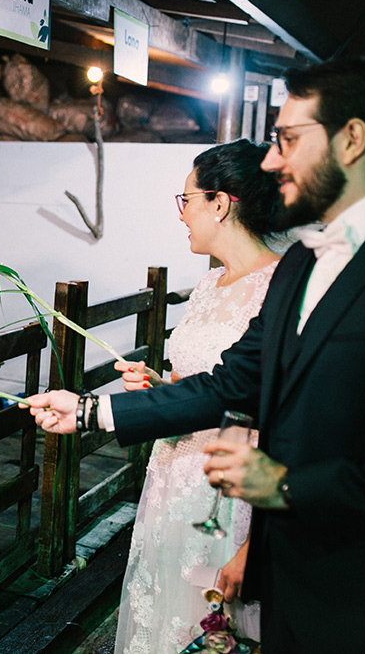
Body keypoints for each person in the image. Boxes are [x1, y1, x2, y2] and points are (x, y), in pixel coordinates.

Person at [24, 55, 365, 651]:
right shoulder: (302, 263)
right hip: (283, 582)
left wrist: (288, 491)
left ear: (353, 139)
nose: (271, 161)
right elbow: (230, 382)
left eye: (287, 140)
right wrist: (91, 412)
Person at [114, 139, 280, 654]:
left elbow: (270, 403)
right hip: (171, 475)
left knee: (212, 626)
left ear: (221, 203)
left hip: (226, 491)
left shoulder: (279, 287)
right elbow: (203, 382)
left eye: (186, 200)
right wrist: (162, 386)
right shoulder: (208, 285)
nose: (181, 214)